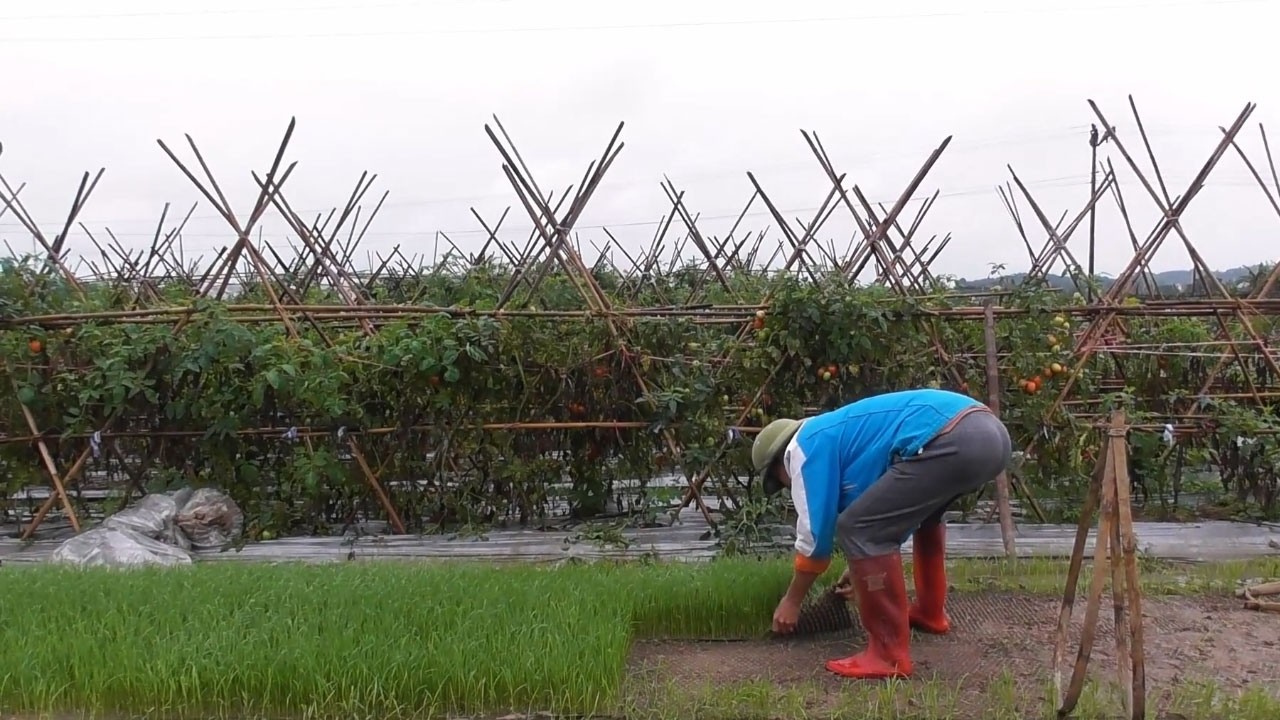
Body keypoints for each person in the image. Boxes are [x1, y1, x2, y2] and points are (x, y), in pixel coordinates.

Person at [750, 388, 1011, 680]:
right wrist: (858, 566)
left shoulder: (803, 448)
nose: (787, 486)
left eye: (779, 482)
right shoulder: (845, 437)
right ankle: (930, 613)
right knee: (924, 520)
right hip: (989, 434)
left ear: (779, 464)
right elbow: (889, 518)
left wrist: (792, 601)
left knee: (856, 527)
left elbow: (815, 536)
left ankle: (888, 656)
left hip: (954, 436)